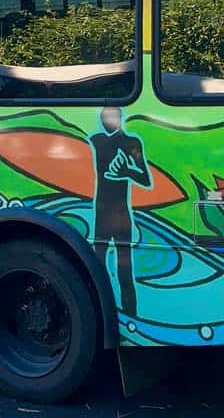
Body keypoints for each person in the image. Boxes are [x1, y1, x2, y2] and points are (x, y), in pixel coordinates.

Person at [89, 106, 152, 315]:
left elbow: (145, 178)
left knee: (124, 270)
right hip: (102, 212)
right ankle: (104, 313)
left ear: (119, 118)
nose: (106, 121)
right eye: (103, 117)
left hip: (120, 213)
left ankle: (131, 315)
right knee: (97, 265)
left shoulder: (131, 143)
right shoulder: (97, 140)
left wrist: (127, 172)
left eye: (110, 117)